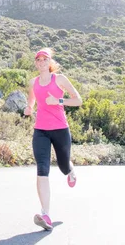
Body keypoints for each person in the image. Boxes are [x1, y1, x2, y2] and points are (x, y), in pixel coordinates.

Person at [24, 48, 82, 231]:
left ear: (49, 62)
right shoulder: (33, 82)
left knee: (63, 166)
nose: (41, 62)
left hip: (60, 130)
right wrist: (28, 109)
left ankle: (71, 170)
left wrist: (57, 101)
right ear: (35, 62)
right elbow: (32, 101)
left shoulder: (59, 79)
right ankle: (46, 215)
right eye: (38, 59)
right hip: (40, 130)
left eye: (44, 59)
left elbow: (78, 100)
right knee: (42, 169)